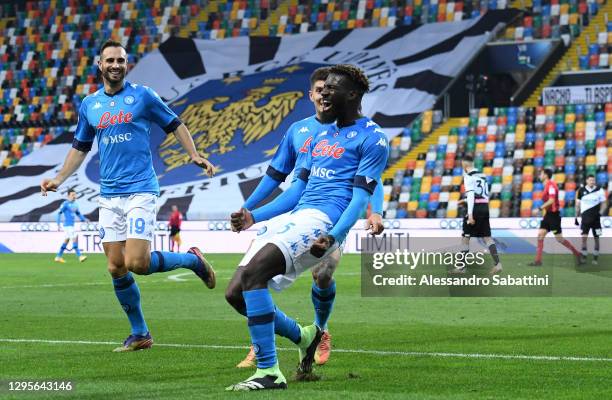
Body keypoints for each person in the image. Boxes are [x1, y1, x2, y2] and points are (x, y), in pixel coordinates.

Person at [40, 39, 217, 352]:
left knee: (136, 262)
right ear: (100, 65)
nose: (115, 66)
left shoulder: (143, 96)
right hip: (108, 195)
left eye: (120, 61)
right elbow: (80, 148)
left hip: (140, 190)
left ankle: (193, 260)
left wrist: (194, 155)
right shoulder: (90, 105)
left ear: (126, 64)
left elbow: (175, 124)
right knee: (115, 266)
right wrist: (58, 178)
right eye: (110, 61)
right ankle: (140, 333)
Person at [225, 64, 389, 391]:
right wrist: (255, 216)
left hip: (323, 222)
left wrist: (334, 236)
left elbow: (359, 199)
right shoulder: (318, 136)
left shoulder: (373, 138)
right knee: (235, 293)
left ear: (353, 95)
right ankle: (305, 336)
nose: (324, 92)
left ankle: (269, 371)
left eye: (332, 88)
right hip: (296, 217)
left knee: (256, 276)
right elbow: (296, 191)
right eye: (322, 88)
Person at [455, 155, 502, 274]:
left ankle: (461, 267)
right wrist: (464, 201)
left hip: (475, 209)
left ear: (465, 165)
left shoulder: (468, 176)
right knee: (487, 237)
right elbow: (482, 195)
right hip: (485, 207)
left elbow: (471, 195)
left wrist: (470, 214)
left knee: (465, 237)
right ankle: (498, 264)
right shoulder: (482, 176)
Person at [529, 169, 581, 266]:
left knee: (560, 239)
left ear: (545, 175)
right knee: (540, 235)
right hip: (548, 215)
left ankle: (578, 254)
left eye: (541, 174)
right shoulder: (546, 186)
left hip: (554, 216)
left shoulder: (551, 185)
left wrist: (539, 209)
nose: (540, 175)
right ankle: (538, 261)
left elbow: (552, 200)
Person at [575, 174, 607, 265]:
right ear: (586, 181)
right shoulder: (581, 191)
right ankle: (584, 258)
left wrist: (600, 213)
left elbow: (604, 204)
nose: (592, 182)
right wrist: (576, 217)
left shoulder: (599, 190)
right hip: (585, 219)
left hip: (596, 220)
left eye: (593, 180)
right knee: (584, 238)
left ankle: (595, 259)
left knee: (596, 239)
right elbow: (577, 205)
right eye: (590, 180)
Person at [55, 189, 89, 263]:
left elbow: (78, 213)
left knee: (67, 240)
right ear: (68, 196)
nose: (74, 196)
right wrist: (58, 223)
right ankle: (80, 256)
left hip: (71, 225)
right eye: (72, 195)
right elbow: (59, 213)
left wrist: (84, 219)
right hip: (67, 225)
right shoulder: (65, 204)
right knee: (75, 237)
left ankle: (58, 257)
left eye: (75, 194)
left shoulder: (75, 204)